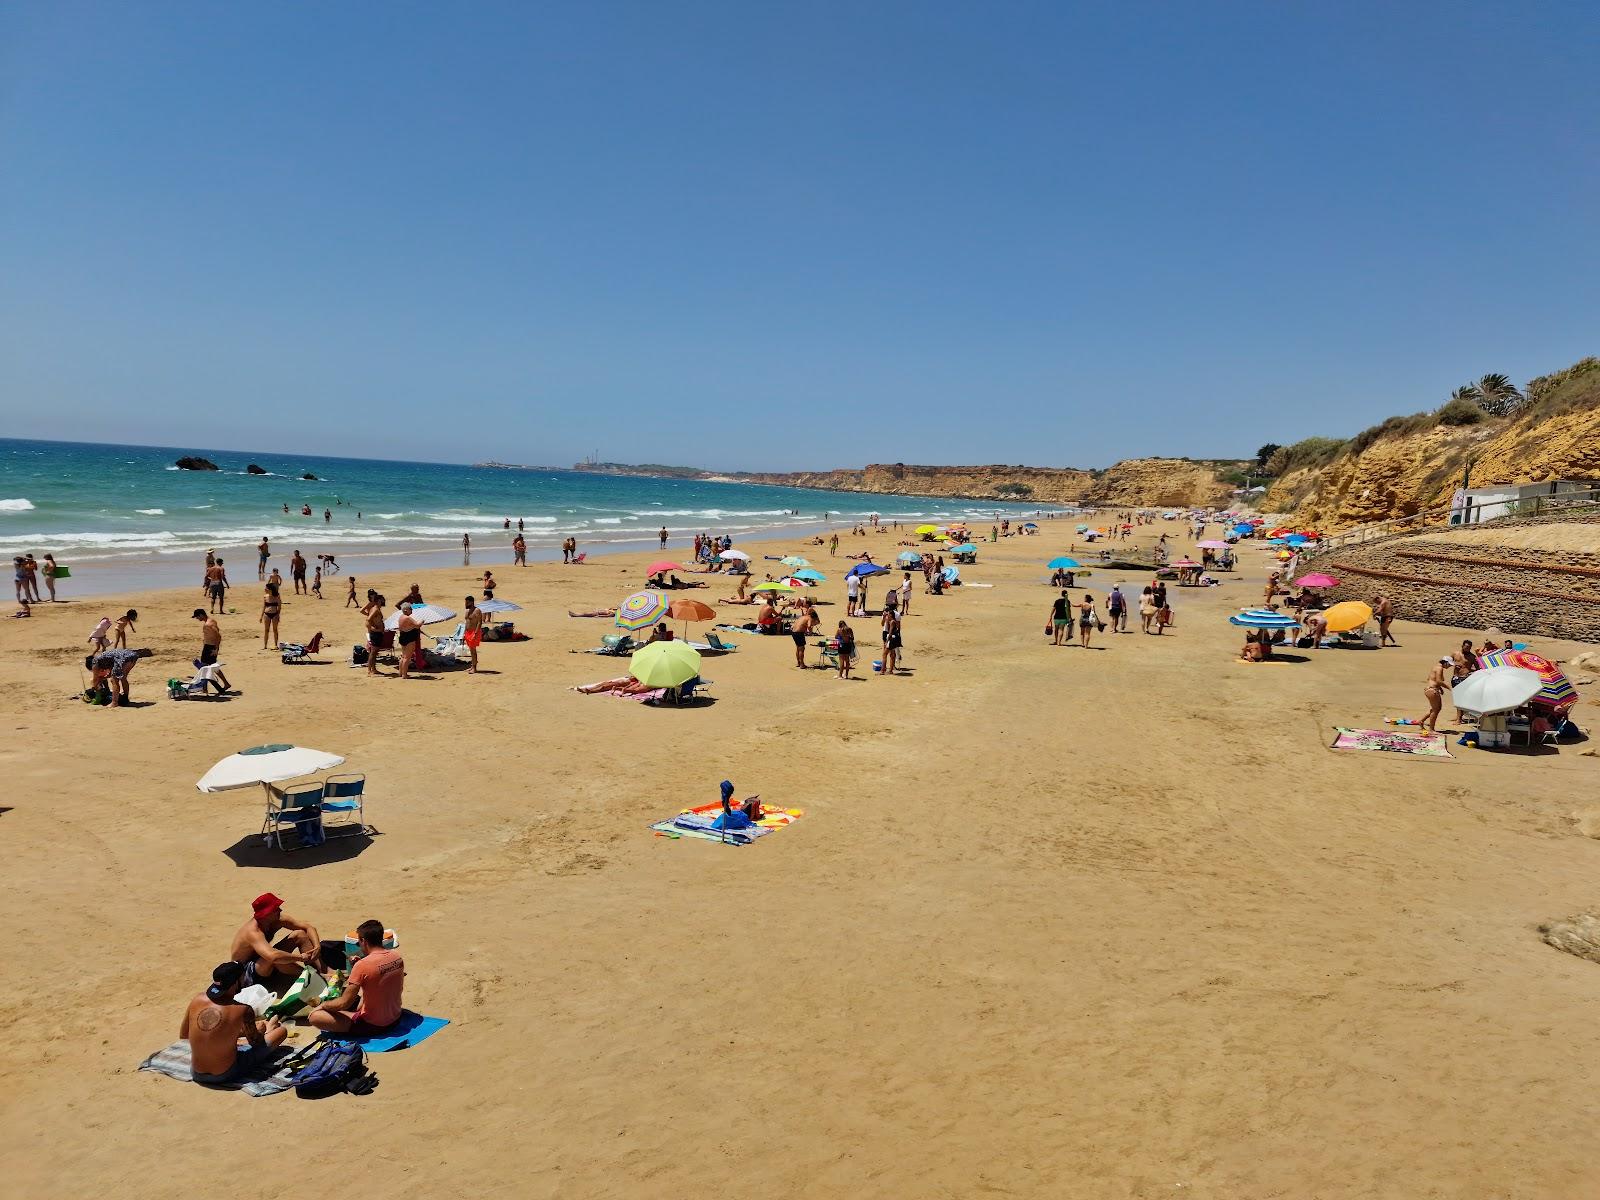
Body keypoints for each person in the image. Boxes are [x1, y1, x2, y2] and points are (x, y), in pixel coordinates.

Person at [181, 962, 288, 1085]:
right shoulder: (243, 1009)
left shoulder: (197, 998)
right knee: (281, 1032)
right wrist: (264, 1029)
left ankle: (267, 1028)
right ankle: (271, 1028)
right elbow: (256, 1043)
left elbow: (184, 1034)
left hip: (196, 1073)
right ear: (236, 982)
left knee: (253, 1032)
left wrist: (232, 1033)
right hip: (225, 1074)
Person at [307, 920, 406, 1036]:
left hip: (374, 1025)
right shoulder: (397, 957)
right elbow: (379, 979)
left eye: (358, 943)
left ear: (363, 941)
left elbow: (344, 1003)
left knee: (315, 1016)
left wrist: (322, 1006)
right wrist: (358, 966)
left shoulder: (363, 965)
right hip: (395, 1017)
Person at [230, 892, 322, 988]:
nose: (280, 910)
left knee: (299, 934)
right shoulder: (253, 932)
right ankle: (312, 976)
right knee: (276, 957)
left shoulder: (276, 919)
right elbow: (273, 957)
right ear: (266, 914)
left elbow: (308, 927)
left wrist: (317, 946)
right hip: (246, 973)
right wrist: (300, 957)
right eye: (275, 909)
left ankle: (320, 971)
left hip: (263, 960)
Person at [192, 608, 233, 692]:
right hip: (209, 647)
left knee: (204, 667)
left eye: (197, 617)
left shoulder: (208, 624)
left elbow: (218, 636)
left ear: (201, 615)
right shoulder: (212, 620)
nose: (197, 619)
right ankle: (224, 684)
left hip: (209, 648)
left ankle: (205, 689)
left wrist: (216, 649)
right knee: (212, 667)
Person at [1418, 657, 1450, 731]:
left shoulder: (1435, 667)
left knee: (1436, 708)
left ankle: (1421, 721)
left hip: (1430, 689)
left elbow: (1432, 679)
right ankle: (1431, 729)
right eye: (1449, 665)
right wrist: (1448, 687)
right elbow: (1439, 681)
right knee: (1436, 710)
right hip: (1432, 690)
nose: (1449, 667)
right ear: (1446, 662)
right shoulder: (1440, 668)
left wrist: (1440, 688)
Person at [394, 602, 422, 680]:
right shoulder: (407, 618)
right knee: (407, 657)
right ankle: (404, 674)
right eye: (410, 609)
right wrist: (422, 621)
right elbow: (417, 625)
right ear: (406, 610)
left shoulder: (401, 617)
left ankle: (400, 673)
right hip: (409, 638)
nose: (411, 610)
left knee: (403, 656)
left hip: (403, 637)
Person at [362, 591, 386, 676]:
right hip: (376, 634)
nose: (383, 601)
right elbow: (368, 620)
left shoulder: (376, 608)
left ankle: (374, 669)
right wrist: (374, 629)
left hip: (378, 633)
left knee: (375, 652)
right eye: (381, 600)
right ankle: (369, 670)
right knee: (373, 652)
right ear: (378, 601)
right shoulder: (375, 609)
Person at [790, 597, 817, 668]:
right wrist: (810, 633)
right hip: (799, 633)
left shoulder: (803, 617)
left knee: (798, 647)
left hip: (793, 632)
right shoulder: (810, 618)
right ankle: (802, 664)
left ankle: (798, 663)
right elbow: (809, 626)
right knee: (802, 648)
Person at [463, 595, 484, 673]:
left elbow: (479, 622)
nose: (465, 604)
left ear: (471, 602)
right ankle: (472, 666)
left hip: (474, 632)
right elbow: (466, 622)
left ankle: (474, 668)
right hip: (468, 632)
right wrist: (464, 633)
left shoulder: (477, 610)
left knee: (473, 650)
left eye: (467, 602)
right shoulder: (467, 611)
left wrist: (475, 633)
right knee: (471, 650)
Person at [881, 606, 902, 676]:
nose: (887, 615)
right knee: (892, 654)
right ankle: (890, 670)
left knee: (885, 654)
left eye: (888, 614)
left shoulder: (892, 621)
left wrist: (887, 641)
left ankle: (883, 670)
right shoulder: (891, 621)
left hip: (891, 639)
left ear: (891, 615)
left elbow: (890, 633)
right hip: (893, 639)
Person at [261, 582, 282, 649]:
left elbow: (279, 607)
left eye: (266, 588)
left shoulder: (277, 597)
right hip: (266, 614)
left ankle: (275, 644)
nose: (265, 589)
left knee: (275, 630)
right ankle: (265, 645)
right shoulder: (265, 596)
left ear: (270, 589)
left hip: (274, 614)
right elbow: (264, 607)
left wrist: (278, 615)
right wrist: (261, 616)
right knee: (266, 630)